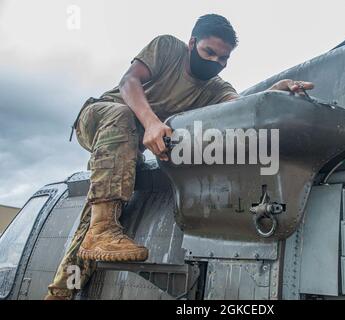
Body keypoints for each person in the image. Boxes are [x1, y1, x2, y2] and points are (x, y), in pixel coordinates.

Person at [44, 13, 313, 300]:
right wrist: (151, 122)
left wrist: (276, 93)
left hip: (125, 147)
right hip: (100, 118)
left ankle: (60, 291)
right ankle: (104, 229)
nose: (216, 63)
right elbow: (128, 82)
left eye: (223, 59)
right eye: (209, 52)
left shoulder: (215, 88)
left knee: (96, 214)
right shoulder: (167, 48)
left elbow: (242, 107)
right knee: (121, 117)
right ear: (192, 43)